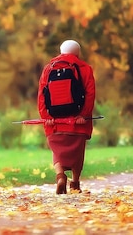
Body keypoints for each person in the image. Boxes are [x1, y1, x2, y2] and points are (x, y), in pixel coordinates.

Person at [37, 39, 96, 194]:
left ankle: (60, 175)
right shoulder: (85, 69)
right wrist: (83, 115)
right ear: (78, 52)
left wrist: (46, 117)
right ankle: (75, 183)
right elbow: (90, 95)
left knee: (57, 151)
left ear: (61, 51)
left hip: (54, 121)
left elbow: (41, 96)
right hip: (77, 121)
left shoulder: (48, 69)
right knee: (77, 153)